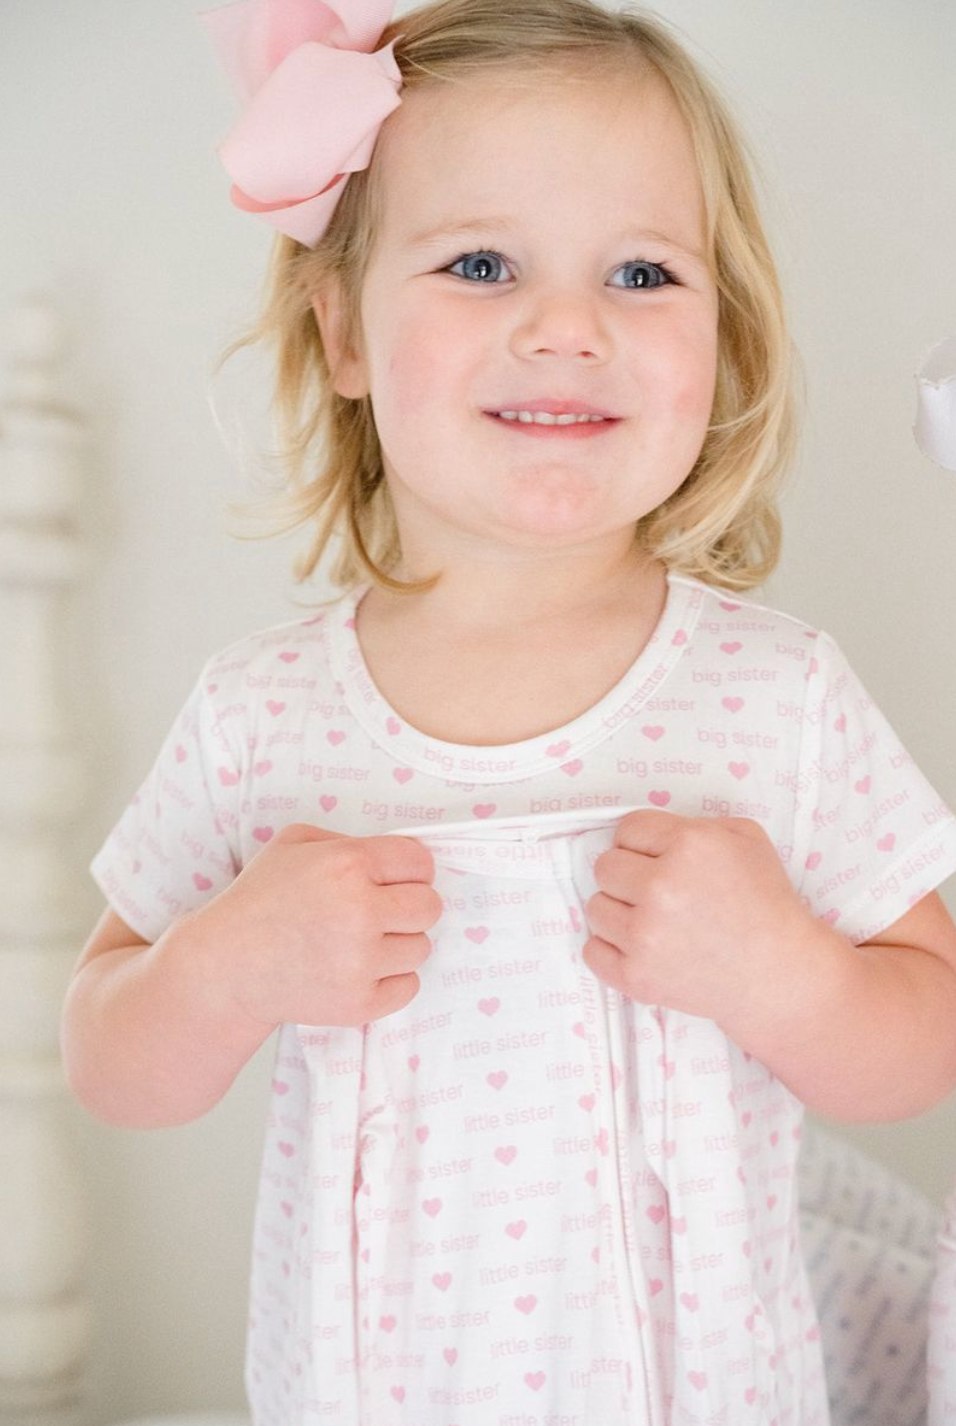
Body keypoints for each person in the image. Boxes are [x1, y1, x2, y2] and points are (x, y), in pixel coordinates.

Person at [60, 1, 956, 1422]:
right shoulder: (261, 716)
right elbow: (106, 1057)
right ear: (344, 331)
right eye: (481, 264)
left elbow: (929, 1033)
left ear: (722, 338)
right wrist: (226, 968)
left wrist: (788, 975)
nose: (567, 327)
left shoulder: (775, 695)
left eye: (642, 272)